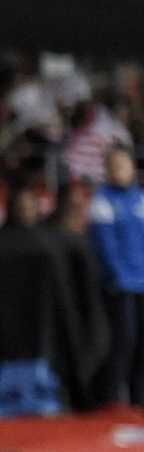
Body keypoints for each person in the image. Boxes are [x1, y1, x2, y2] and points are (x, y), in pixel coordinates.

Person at [89, 144, 144, 409]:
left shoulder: (140, 199)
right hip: (119, 286)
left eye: (123, 164)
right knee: (124, 341)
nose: (118, 170)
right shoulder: (102, 201)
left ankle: (138, 399)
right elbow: (105, 246)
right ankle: (109, 399)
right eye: (113, 165)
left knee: (141, 344)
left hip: (141, 283)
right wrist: (119, 277)